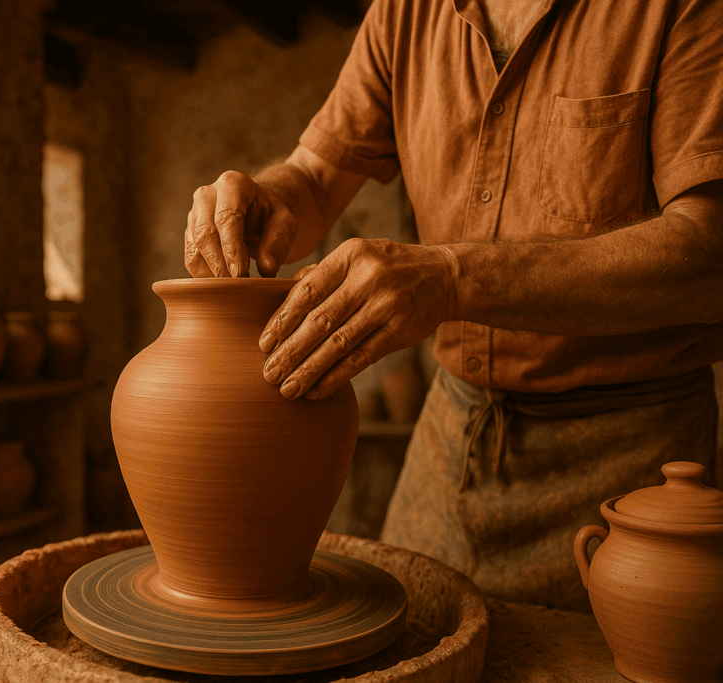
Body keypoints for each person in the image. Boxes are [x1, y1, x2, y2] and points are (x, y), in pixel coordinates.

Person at [183, 0, 723, 610]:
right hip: (454, 434)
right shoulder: (404, 13)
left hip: (628, 456)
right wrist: (270, 194)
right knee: (403, 643)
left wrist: (453, 277)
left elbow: (709, 255)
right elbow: (312, 176)